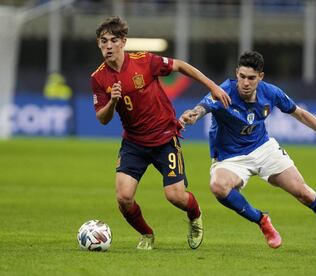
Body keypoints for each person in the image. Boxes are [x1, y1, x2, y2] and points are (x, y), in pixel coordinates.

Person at [179, 51, 316, 253]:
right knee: (218, 187)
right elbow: (200, 109)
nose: (246, 83)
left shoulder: (270, 93)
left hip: (263, 149)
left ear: (260, 77)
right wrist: (191, 116)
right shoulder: (223, 92)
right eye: (242, 77)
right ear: (236, 73)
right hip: (230, 157)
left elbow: (300, 114)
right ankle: (261, 219)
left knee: (305, 193)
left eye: (251, 78)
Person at [90, 16, 231, 250]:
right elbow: (102, 119)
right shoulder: (98, 78)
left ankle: (195, 216)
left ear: (123, 42)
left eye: (114, 40)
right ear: (99, 44)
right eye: (104, 41)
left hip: (165, 137)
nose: (108, 46)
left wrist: (213, 87)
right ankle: (146, 234)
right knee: (123, 197)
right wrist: (113, 102)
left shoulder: (144, 60)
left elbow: (180, 66)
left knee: (175, 196)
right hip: (134, 143)